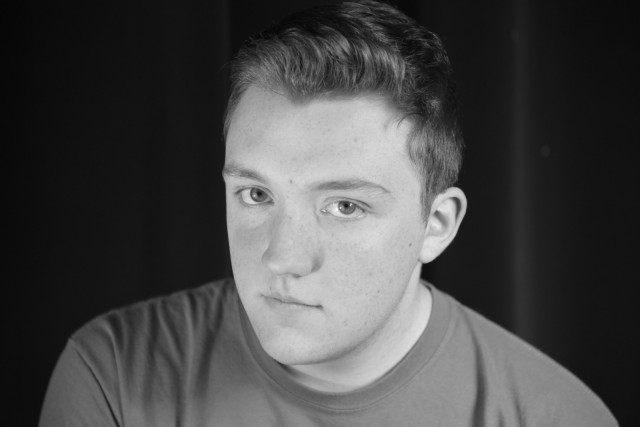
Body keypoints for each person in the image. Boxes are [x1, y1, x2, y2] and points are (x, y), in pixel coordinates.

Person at [39, 1, 617, 425]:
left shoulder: (554, 415)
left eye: (344, 206)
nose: (282, 258)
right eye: (256, 195)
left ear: (436, 225)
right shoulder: (113, 373)